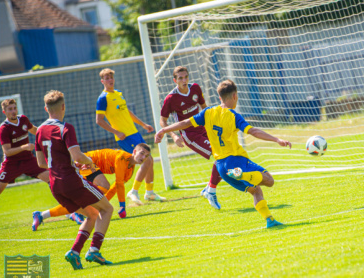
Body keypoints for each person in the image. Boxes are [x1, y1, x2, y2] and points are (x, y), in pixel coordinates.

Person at [155, 80, 292, 228]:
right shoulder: (233, 115)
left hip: (221, 168)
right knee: (269, 180)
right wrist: (276, 139)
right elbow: (253, 131)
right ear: (234, 96)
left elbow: (185, 122)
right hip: (235, 161)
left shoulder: (208, 112)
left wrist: (164, 130)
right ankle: (242, 175)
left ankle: (269, 220)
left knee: (256, 190)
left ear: (220, 97)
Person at [35, 90, 114, 269]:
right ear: (63, 106)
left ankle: (75, 252)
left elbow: (41, 162)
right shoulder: (65, 127)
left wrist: (67, 163)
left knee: (92, 214)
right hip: (71, 181)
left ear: (46, 108)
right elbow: (78, 156)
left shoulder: (39, 130)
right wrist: (90, 162)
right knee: (107, 209)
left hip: (55, 185)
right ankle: (94, 250)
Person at [31, 143, 152, 230]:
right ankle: (75, 212)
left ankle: (42, 215)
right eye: (141, 153)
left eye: (146, 156)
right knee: (103, 186)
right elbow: (119, 183)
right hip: (86, 161)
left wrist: (102, 206)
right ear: (134, 152)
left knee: (82, 201)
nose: (143, 157)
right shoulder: (122, 158)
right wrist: (122, 206)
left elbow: (115, 187)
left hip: (92, 168)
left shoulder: (130, 170)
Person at [95, 68, 165, 204]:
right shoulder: (102, 98)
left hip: (135, 133)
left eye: (111, 77)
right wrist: (116, 132)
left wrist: (143, 124)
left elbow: (127, 112)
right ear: (102, 81)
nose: (110, 80)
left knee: (149, 160)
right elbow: (99, 120)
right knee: (147, 160)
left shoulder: (119, 94)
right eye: (107, 78)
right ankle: (134, 191)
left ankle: (149, 193)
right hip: (125, 137)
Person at [160, 66, 222, 209]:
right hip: (190, 135)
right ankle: (211, 191)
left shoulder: (195, 88)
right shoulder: (171, 98)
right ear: (175, 80)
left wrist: (212, 125)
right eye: (180, 78)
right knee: (219, 155)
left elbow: (204, 107)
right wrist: (174, 136)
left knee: (224, 153)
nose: (184, 80)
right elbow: (162, 120)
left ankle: (209, 189)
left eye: (186, 77)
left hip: (204, 128)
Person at [0, 99, 50, 198]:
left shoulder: (23, 119)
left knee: (53, 180)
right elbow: (7, 152)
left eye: (14, 108)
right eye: (10, 109)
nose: (13, 111)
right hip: (11, 163)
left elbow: (34, 130)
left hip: (28, 160)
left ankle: (69, 211)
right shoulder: (4, 128)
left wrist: (48, 134)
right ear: (4, 112)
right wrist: (24, 147)